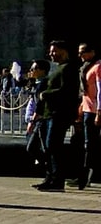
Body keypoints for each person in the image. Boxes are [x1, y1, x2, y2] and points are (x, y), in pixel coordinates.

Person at [37, 40, 82, 192]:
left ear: (63, 51)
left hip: (60, 113)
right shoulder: (58, 68)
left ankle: (58, 180)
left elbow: (67, 91)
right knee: (49, 147)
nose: (51, 54)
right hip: (50, 113)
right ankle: (50, 178)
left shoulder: (69, 69)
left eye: (54, 51)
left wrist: (45, 94)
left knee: (53, 146)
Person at [76, 41, 99, 191]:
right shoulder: (85, 68)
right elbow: (85, 93)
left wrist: (99, 112)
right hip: (87, 109)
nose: (80, 55)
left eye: (83, 52)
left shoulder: (98, 67)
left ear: (92, 52)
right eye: (79, 52)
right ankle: (86, 174)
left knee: (90, 144)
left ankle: (87, 176)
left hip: (95, 111)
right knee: (87, 143)